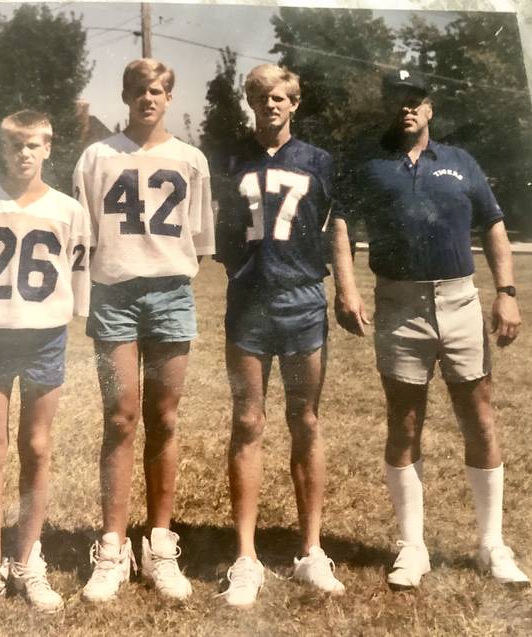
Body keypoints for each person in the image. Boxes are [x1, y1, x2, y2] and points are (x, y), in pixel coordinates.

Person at [331, 68, 530, 590]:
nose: (407, 108)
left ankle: (492, 545)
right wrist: (346, 289)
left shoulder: (461, 163)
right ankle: (412, 546)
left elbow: (492, 225)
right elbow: (342, 223)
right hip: (399, 305)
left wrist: (505, 293)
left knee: (479, 416)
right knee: (405, 421)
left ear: (430, 107)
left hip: (460, 299)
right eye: (397, 99)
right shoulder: (370, 164)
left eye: (415, 99)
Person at [72, 58, 214, 602]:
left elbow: (198, 240)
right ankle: (112, 545)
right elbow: (83, 238)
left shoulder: (191, 159)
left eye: (157, 90)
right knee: (120, 414)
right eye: (138, 90)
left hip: (171, 294)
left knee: (165, 416)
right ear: (125, 95)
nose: (147, 98)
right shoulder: (98, 155)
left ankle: (159, 542)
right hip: (114, 295)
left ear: (169, 96)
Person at [0, 110, 91, 615]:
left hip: (43, 336)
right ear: (1, 149)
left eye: (34, 145)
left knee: (36, 445)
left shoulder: (69, 209)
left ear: (49, 149)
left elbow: (78, 276)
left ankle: (29, 557)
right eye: (15, 146)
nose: (24, 154)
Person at [214, 64, 345, 608]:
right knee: (247, 420)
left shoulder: (318, 161)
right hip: (250, 302)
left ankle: (311, 549)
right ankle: (245, 557)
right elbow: (224, 239)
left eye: (280, 97)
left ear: (294, 103)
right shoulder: (232, 159)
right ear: (251, 102)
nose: (271, 104)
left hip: (302, 300)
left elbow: (334, 226)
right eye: (262, 96)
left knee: (305, 419)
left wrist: (347, 290)